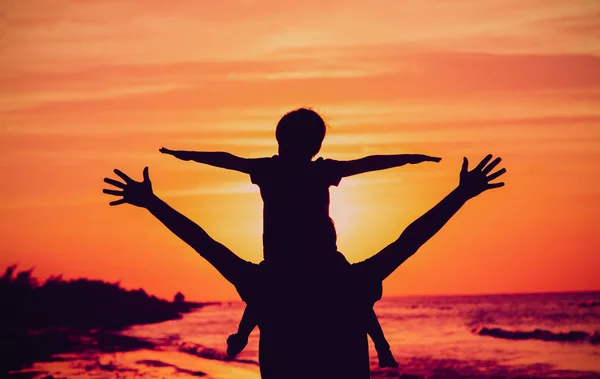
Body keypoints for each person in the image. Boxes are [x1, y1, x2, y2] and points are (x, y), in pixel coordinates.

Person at [103, 154, 506, 379]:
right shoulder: (350, 280)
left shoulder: (265, 283)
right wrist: (461, 194)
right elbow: (413, 237)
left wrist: (153, 203)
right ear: (329, 236)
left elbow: (201, 241)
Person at [159, 108, 441, 366]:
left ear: (279, 138)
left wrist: (188, 155)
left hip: (287, 259)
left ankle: (242, 335)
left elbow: (228, 161)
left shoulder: (270, 168)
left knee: (265, 291)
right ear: (316, 145)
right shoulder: (318, 169)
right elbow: (368, 164)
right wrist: (409, 159)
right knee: (355, 294)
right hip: (317, 258)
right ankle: (382, 348)